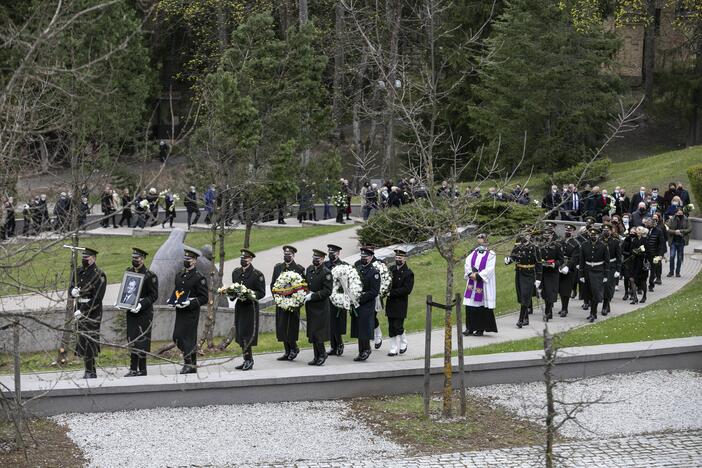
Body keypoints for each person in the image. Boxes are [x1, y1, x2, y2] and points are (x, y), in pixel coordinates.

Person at [69, 247, 107, 379]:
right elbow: (71, 286)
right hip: (79, 308)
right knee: (82, 339)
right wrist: (72, 292)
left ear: (94, 258)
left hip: (92, 312)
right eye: (83, 258)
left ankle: (91, 371)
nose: (85, 260)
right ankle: (88, 370)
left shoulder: (99, 274)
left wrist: (83, 310)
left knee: (90, 340)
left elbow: (97, 298)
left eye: (87, 258)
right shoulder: (78, 271)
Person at [170, 246, 209, 374]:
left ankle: (189, 364)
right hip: (180, 311)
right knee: (177, 337)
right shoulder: (179, 275)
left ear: (195, 261)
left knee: (187, 338)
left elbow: (204, 298)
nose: (186, 260)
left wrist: (190, 302)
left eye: (189, 259)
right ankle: (192, 364)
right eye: (185, 258)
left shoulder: (199, 277)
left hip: (191, 312)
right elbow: (177, 291)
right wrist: (173, 300)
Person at [124, 248, 158, 377]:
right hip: (131, 311)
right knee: (132, 339)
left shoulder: (150, 275)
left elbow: (154, 295)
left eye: (137, 258)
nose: (134, 260)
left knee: (142, 341)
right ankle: (133, 368)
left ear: (143, 259)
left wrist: (141, 304)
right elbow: (126, 289)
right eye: (133, 258)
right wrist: (122, 302)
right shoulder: (128, 271)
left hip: (144, 312)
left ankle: (142, 369)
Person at [231, 249, 266, 370]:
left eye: (245, 258)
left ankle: (249, 360)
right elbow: (234, 289)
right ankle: (246, 359)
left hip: (250, 308)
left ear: (250, 259)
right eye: (241, 258)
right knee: (240, 334)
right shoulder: (236, 272)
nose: (243, 260)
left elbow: (261, 293)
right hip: (240, 307)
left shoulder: (257, 275)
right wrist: (231, 295)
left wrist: (249, 294)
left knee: (247, 334)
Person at [271, 246, 306, 362]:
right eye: (285, 254)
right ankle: (287, 351)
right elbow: (273, 285)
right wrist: (277, 298)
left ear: (293, 255)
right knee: (282, 327)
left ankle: (294, 348)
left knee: (290, 327)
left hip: (293, 303)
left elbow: (303, 287)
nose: (287, 256)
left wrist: (296, 302)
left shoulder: (299, 269)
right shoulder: (278, 268)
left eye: (289, 254)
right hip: (281, 302)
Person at [462, 235, 497, 336]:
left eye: (482, 243)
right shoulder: (473, 253)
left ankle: (480, 329)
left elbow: (490, 269)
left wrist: (478, 275)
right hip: (472, 283)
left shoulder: (491, 254)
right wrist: (470, 273)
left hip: (482, 284)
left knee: (480, 307)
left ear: (486, 242)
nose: (480, 245)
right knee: (470, 306)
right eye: (479, 243)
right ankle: (469, 328)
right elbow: (467, 264)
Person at [506, 232, 542, 328]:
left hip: (530, 274)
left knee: (526, 295)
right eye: (523, 235)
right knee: (521, 296)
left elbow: (539, 264)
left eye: (527, 235)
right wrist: (508, 260)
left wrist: (538, 278)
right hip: (519, 273)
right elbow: (512, 257)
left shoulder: (534, 248)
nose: (525, 237)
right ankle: (526, 318)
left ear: (530, 237)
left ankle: (521, 320)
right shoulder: (518, 247)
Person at [351, 247, 380, 361]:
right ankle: (361, 350)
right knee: (358, 327)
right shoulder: (358, 269)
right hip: (357, 303)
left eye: (366, 257)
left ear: (371, 257)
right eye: (362, 257)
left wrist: (360, 298)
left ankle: (366, 349)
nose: (363, 258)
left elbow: (374, 291)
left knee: (364, 328)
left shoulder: (374, 272)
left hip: (366, 304)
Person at [304, 249, 333, 365]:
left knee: (318, 333)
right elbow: (306, 284)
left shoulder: (326, 273)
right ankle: (316, 356)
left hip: (320, 307)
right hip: (311, 306)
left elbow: (327, 291)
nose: (315, 261)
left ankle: (322, 354)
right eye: (314, 258)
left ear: (322, 259)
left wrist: (313, 295)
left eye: (318, 259)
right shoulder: (309, 269)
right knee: (312, 332)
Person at [386, 249, 415, 353]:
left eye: (400, 258)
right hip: (390, 303)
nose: (398, 259)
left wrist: (391, 293)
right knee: (391, 327)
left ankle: (403, 341)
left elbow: (407, 289)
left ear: (405, 259)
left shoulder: (408, 273)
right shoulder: (391, 269)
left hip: (400, 304)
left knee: (398, 326)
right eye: (397, 258)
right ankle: (393, 348)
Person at [579, 227, 609, 323]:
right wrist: (581, 274)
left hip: (598, 271)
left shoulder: (603, 246)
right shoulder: (584, 245)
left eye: (595, 235)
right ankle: (593, 313)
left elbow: (607, 262)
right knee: (588, 293)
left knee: (595, 293)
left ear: (598, 235)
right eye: (592, 235)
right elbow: (582, 260)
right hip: (587, 270)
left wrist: (605, 275)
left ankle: (593, 313)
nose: (593, 236)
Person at [325, 244, 348, 356]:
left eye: (333, 253)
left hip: (339, 298)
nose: (330, 254)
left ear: (338, 253)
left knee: (337, 322)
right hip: (328, 297)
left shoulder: (344, 266)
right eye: (329, 252)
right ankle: (333, 346)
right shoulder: (325, 265)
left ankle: (339, 343)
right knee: (330, 323)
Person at [539, 230, 564, 321]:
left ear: (552, 235)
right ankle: (549, 310)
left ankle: (547, 312)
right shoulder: (540, 245)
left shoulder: (557, 246)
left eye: (548, 234)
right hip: (543, 272)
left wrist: (554, 264)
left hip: (552, 272)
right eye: (545, 234)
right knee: (544, 293)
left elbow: (561, 260)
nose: (546, 236)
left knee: (550, 292)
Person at [558, 224, 580, 317]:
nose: (567, 231)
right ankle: (562, 306)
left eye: (570, 230)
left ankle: (564, 308)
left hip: (569, 269)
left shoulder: (576, 243)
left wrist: (568, 266)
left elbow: (575, 258)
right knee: (559, 288)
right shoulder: (560, 241)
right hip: (559, 266)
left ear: (573, 231)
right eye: (566, 229)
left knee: (566, 289)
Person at [601, 223, 621, 316]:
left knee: (608, 286)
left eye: (607, 230)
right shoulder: (599, 241)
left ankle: (605, 305)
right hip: (601, 266)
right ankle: (606, 303)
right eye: (604, 230)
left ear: (610, 231)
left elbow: (619, 257)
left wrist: (618, 270)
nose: (606, 232)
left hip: (611, 266)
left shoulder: (615, 242)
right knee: (601, 286)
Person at [666, 207, 690, 278]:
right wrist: (675, 232)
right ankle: (671, 272)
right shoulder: (671, 219)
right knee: (672, 256)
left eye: (681, 213)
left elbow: (689, 229)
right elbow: (667, 228)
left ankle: (677, 272)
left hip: (681, 241)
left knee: (679, 257)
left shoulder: (686, 219)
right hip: (673, 241)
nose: (680, 214)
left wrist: (681, 231)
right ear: (675, 213)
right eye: (678, 213)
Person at [644, 217, 666, 292]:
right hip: (645, 255)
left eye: (650, 222)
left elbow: (662, 244)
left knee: (653, 271)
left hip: (654, 254)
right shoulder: (644, 230)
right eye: (647, 222)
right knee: (644, 270)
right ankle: (641, 285)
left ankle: (651, 285)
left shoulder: (658, 231)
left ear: (653, 223)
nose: (648, 224)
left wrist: (660, 254)